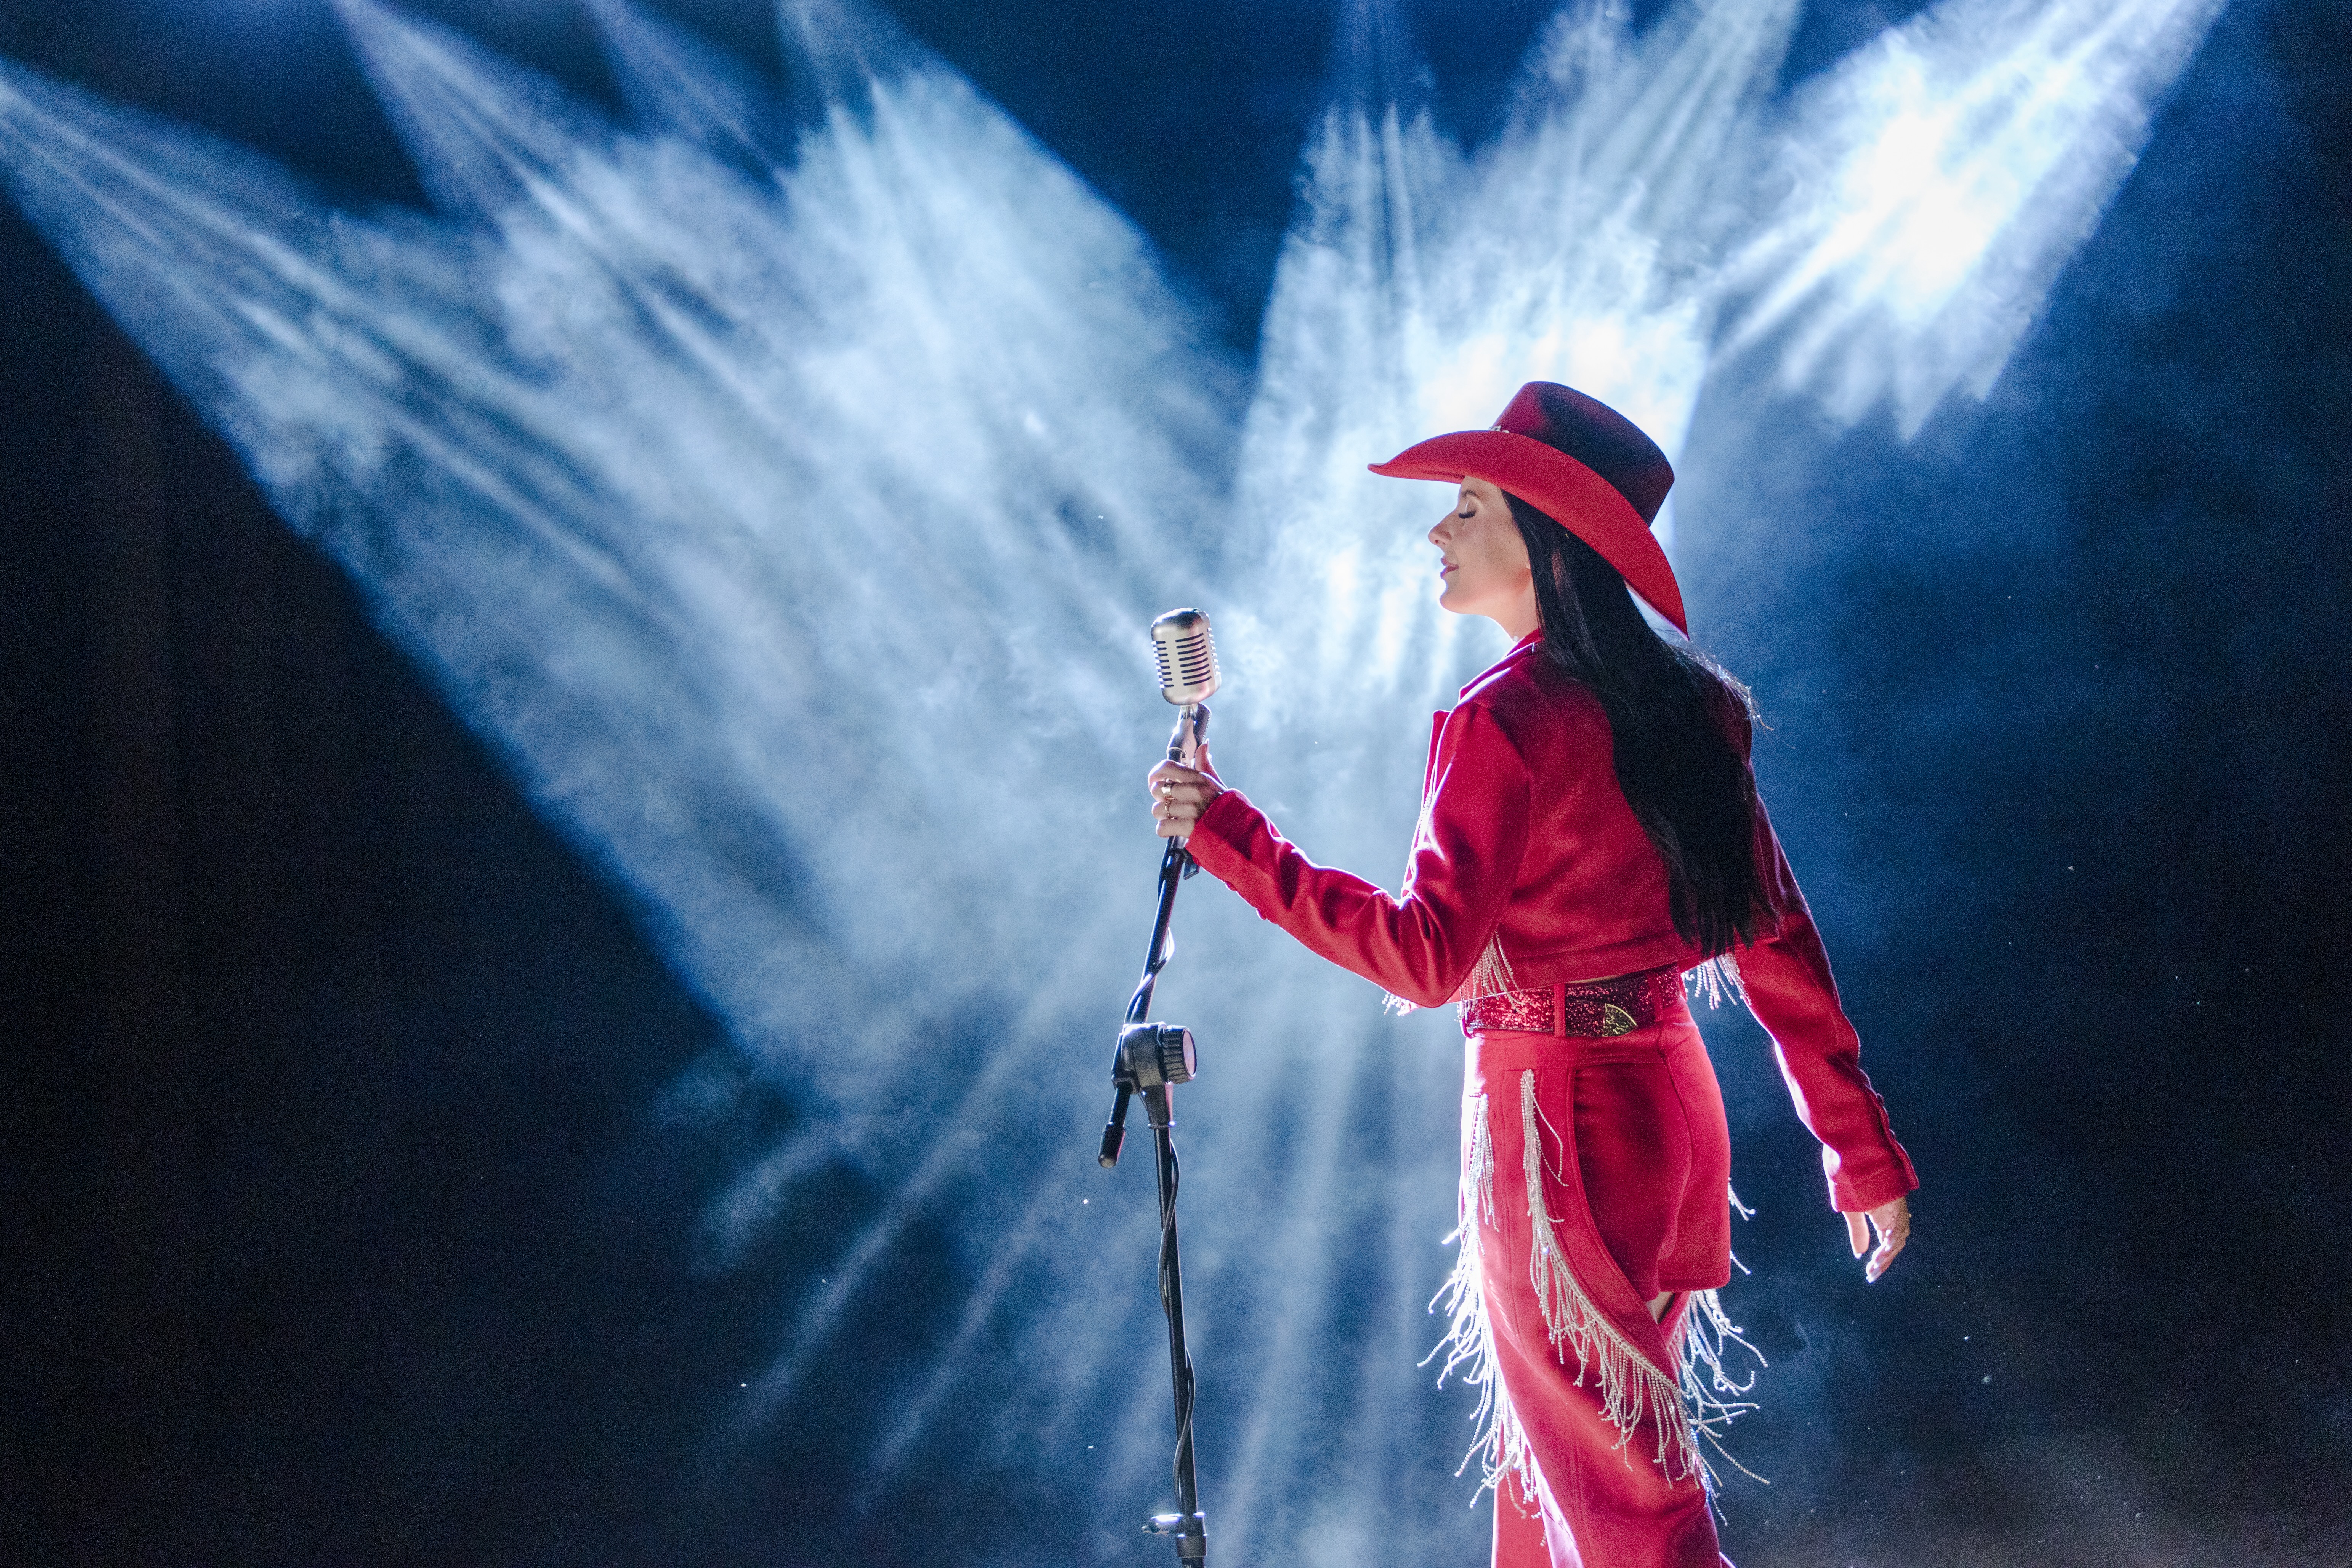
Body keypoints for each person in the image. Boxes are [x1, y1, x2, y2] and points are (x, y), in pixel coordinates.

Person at [1146, 383, 1916, 1568]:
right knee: (1556, 1500)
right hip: (1667, 1123)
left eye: (1464, 508)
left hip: (1550, 1135)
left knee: (1623, 1516)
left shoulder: (1500, 719)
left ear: (1543, 536)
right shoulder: (1695, 710)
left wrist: (1230, 836)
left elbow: (1424, 955)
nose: (1435, 534)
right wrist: (1856, 1147)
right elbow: (1777, 940)